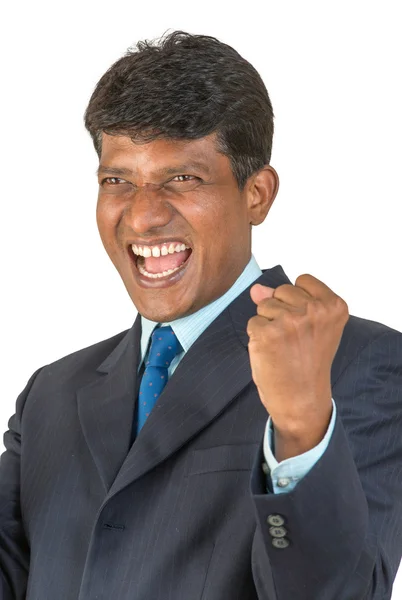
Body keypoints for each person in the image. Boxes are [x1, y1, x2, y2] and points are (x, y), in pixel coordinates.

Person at [1, 30, 401, 600]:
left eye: (181, 179)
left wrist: (300, 429)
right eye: (118, 181)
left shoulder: (362, 363)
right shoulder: (51, 392)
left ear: (257, 193)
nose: (142, 217)